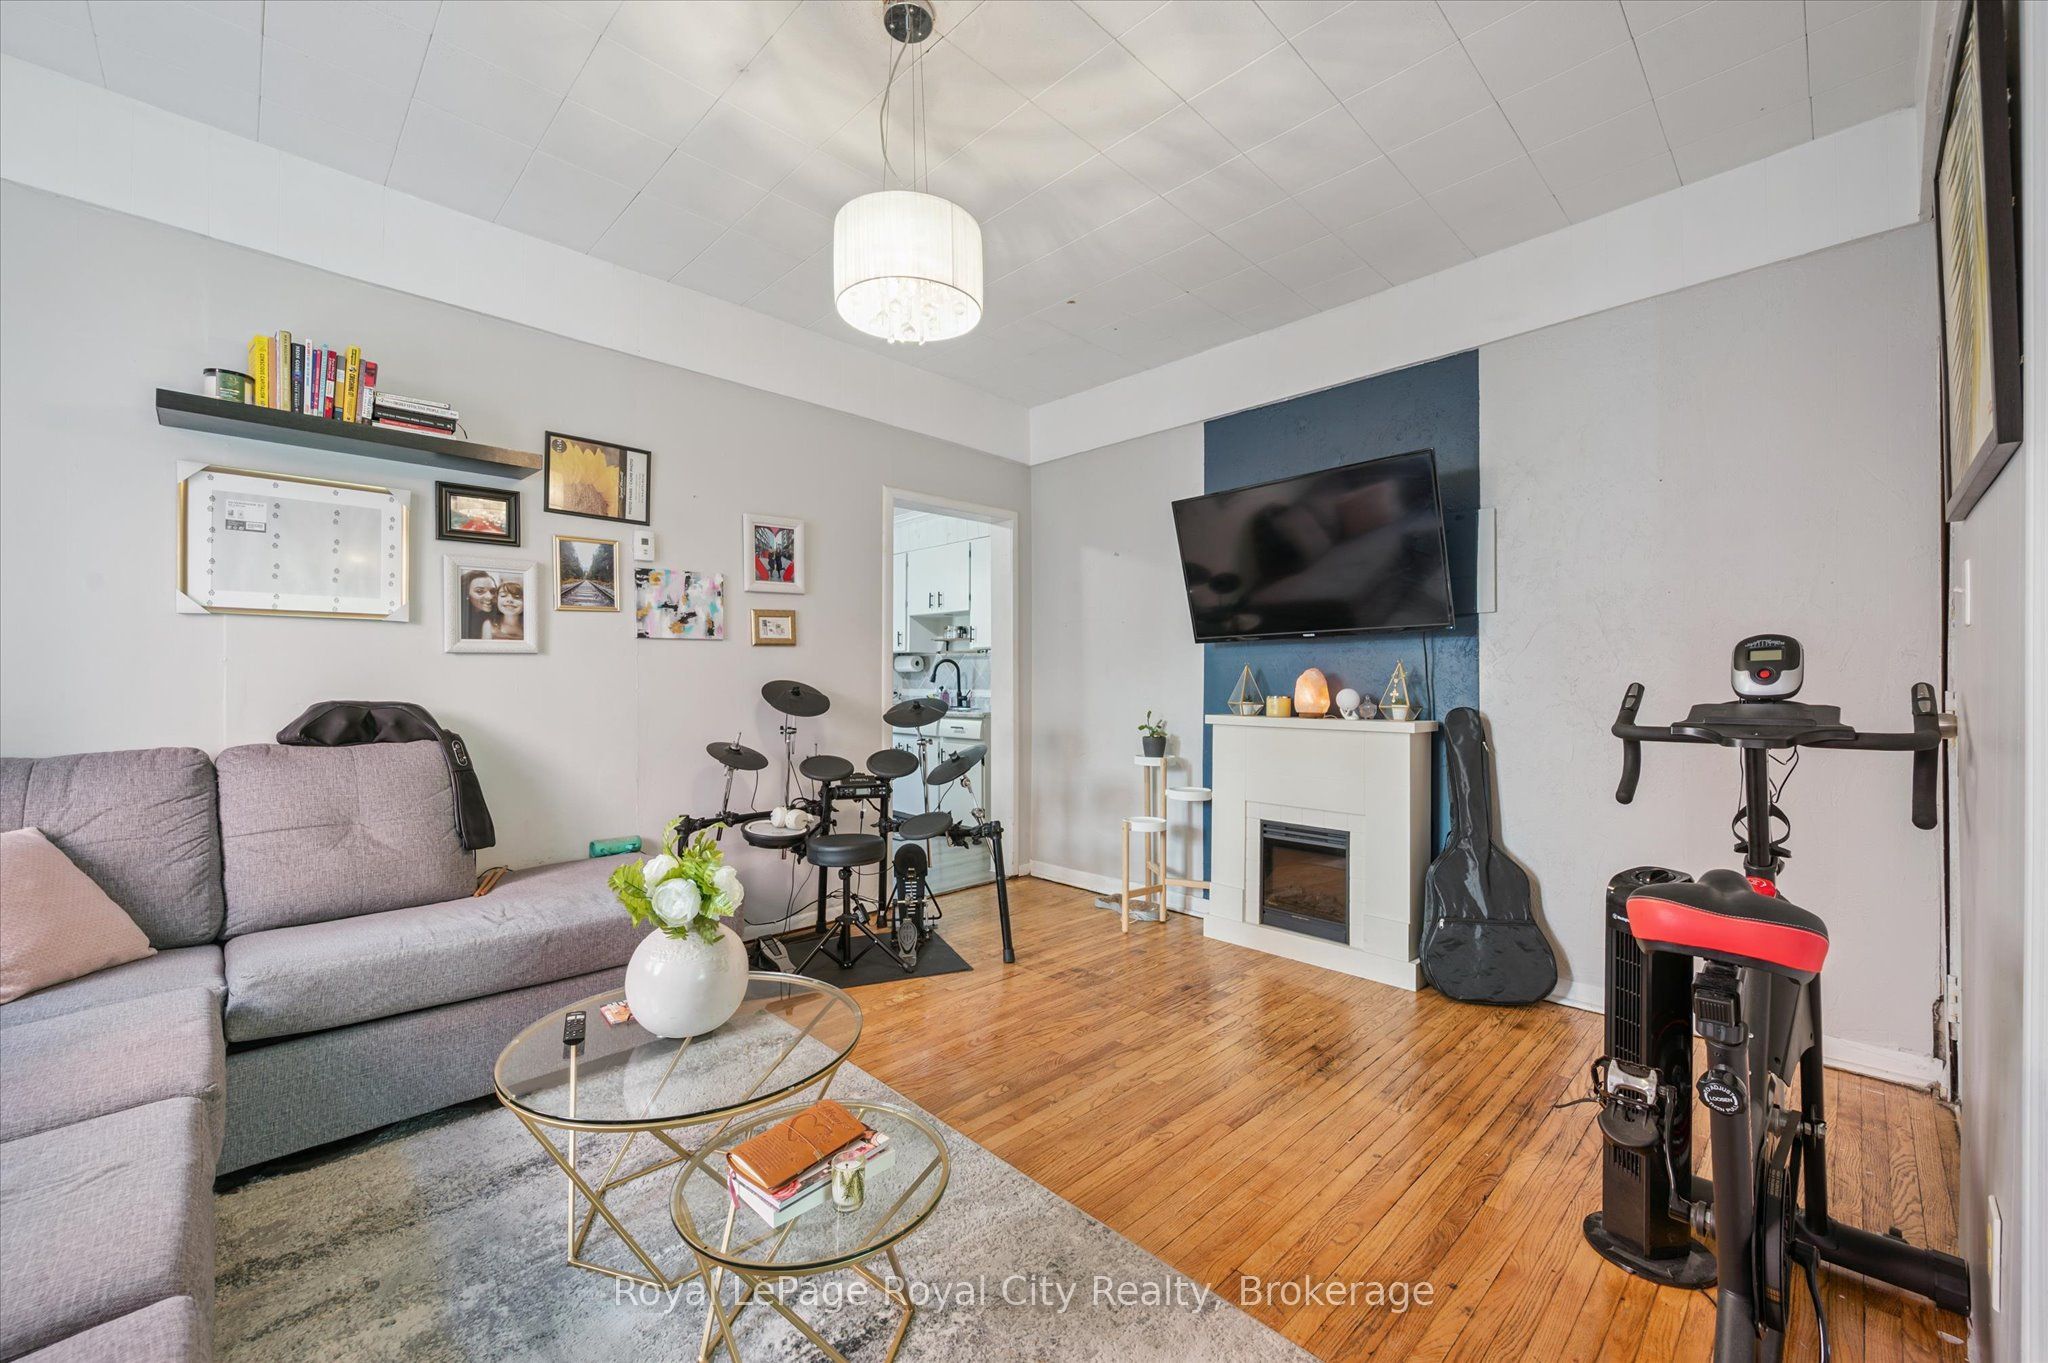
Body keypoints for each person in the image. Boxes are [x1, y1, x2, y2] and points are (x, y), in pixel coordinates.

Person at [460, 570, 498, 640]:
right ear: (466, 593)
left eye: (492, 591)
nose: (489, 596)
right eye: (480, 591)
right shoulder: (459, 619)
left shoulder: (499, 616)